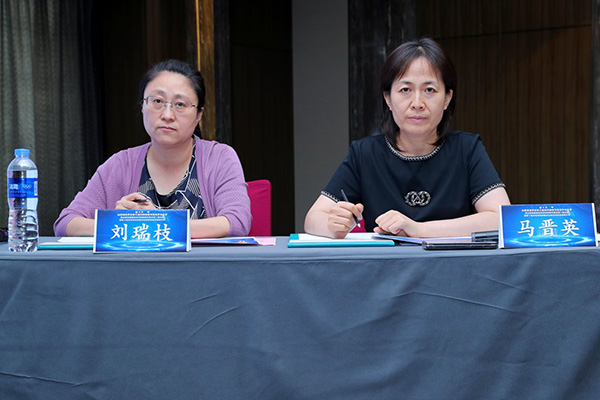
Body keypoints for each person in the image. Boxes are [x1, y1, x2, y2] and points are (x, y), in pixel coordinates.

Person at [304, 38, 510, 239]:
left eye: (429, 90)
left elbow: (501, 219)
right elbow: (313, 218)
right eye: (405, 90)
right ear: (388, 98)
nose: (417, 103)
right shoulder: (364, 154)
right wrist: (333, 225)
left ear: (447, 98)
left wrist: (419, 230)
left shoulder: (467, 149)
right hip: (385, 263)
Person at [54, 59, 251, 238]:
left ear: (199, 114)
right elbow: (66, 223)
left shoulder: (219, 158)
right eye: (157, 101)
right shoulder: (121, 164)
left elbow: (237, 221)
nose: (167, 115)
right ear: (142, 106)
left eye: (180, 104)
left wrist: (157, 223)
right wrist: (117, 223)